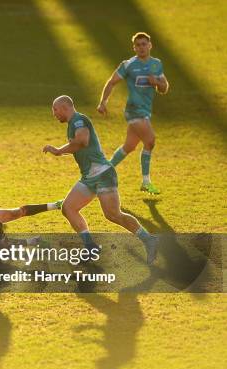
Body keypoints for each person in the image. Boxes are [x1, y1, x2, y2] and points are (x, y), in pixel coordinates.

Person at [43, 95, 158, 264]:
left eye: (55, 110)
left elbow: (82, 140)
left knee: (113, 215)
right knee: (68, 208)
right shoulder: (71, 124)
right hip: (89, 178)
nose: (54, 114)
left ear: (64, 107)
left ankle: (149, 239)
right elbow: (79, 143)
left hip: (103, 175)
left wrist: (59, 150)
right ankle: (90, 247)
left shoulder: (78, 120)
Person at [97, 32, 169, 195]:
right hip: (134, 110)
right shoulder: (128, 65)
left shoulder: (156, 64)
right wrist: (103, 102)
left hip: (146, 110)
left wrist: (156, 82)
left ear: (150, 46)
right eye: (138, 45)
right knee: (150, 141)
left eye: (144, 44)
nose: (141, 47)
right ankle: (146, 182)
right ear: (134, 47)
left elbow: (164, 88)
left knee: (128, 147)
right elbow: (111, 82)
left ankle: (102, 174)